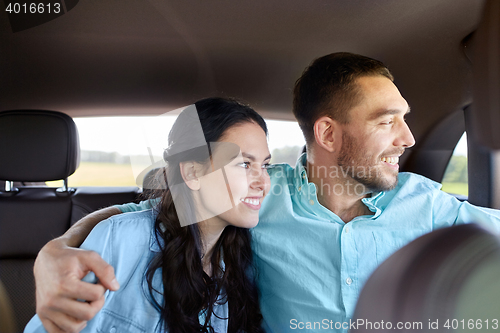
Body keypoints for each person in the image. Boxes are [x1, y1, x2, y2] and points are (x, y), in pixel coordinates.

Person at [31, 53, 500, 333]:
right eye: (387, 121)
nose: (408, 138)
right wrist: (54, 253)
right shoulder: (257, 203)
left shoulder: (431, 205)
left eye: (264, 164)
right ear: (329, 135)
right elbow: (150, 214)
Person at [25, 97, 271, 332]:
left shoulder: (241, 258)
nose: (264, 183)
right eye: (245, 164)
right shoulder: (118, 242)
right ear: (194, 174)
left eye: (266, 165)